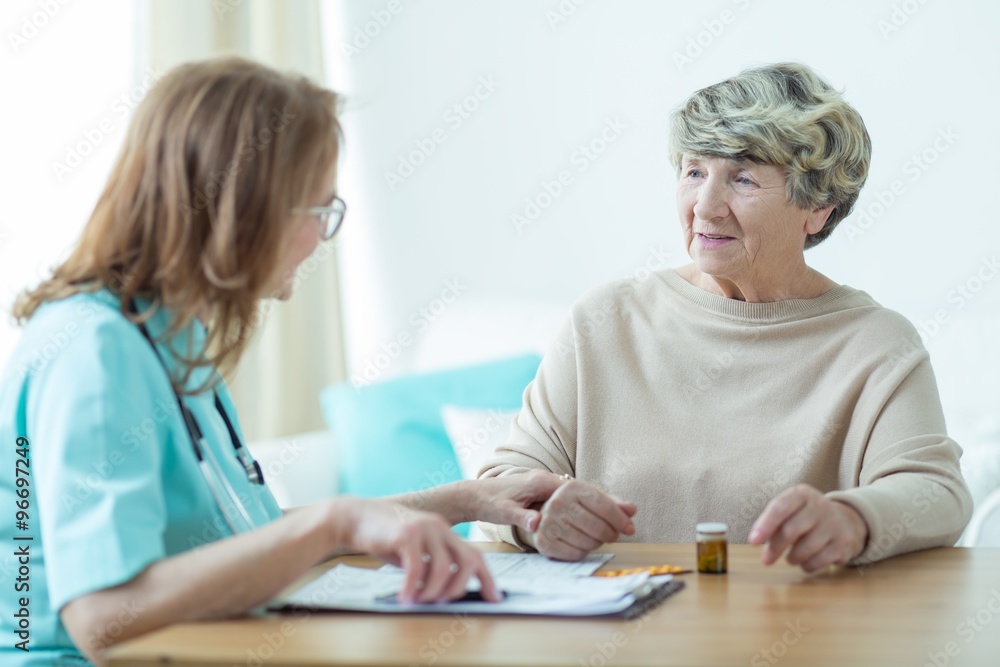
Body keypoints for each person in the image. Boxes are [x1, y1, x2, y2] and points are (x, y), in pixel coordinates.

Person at [0, 57, 564, 667]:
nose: (322, 238)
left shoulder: (170, 341)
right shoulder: (95, 351)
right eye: (317, 212)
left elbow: (253, 541)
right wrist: (333, 522)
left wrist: (468, 500)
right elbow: (102, 618)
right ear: (243, 208)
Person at [479, 62, 973, 573]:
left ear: (819, 207)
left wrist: (854, 519)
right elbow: (505, 481)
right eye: (694, 172)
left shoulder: (875, 343)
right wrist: (537, 516)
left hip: (790, 636)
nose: (706, 207)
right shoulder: (605, 320)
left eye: (742, 178)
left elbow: (936, 494)